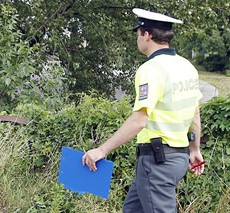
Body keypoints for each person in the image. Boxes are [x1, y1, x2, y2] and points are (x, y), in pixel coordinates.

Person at [82, 8, 205, 213]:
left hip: (157, 163)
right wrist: (194, 149)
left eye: (138, 33)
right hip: (177, 158)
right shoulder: (186, 66)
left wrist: (101, 150)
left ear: (146, 34)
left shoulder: (151, 69)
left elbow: (139, 120)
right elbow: (195, 113)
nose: (137, 39)